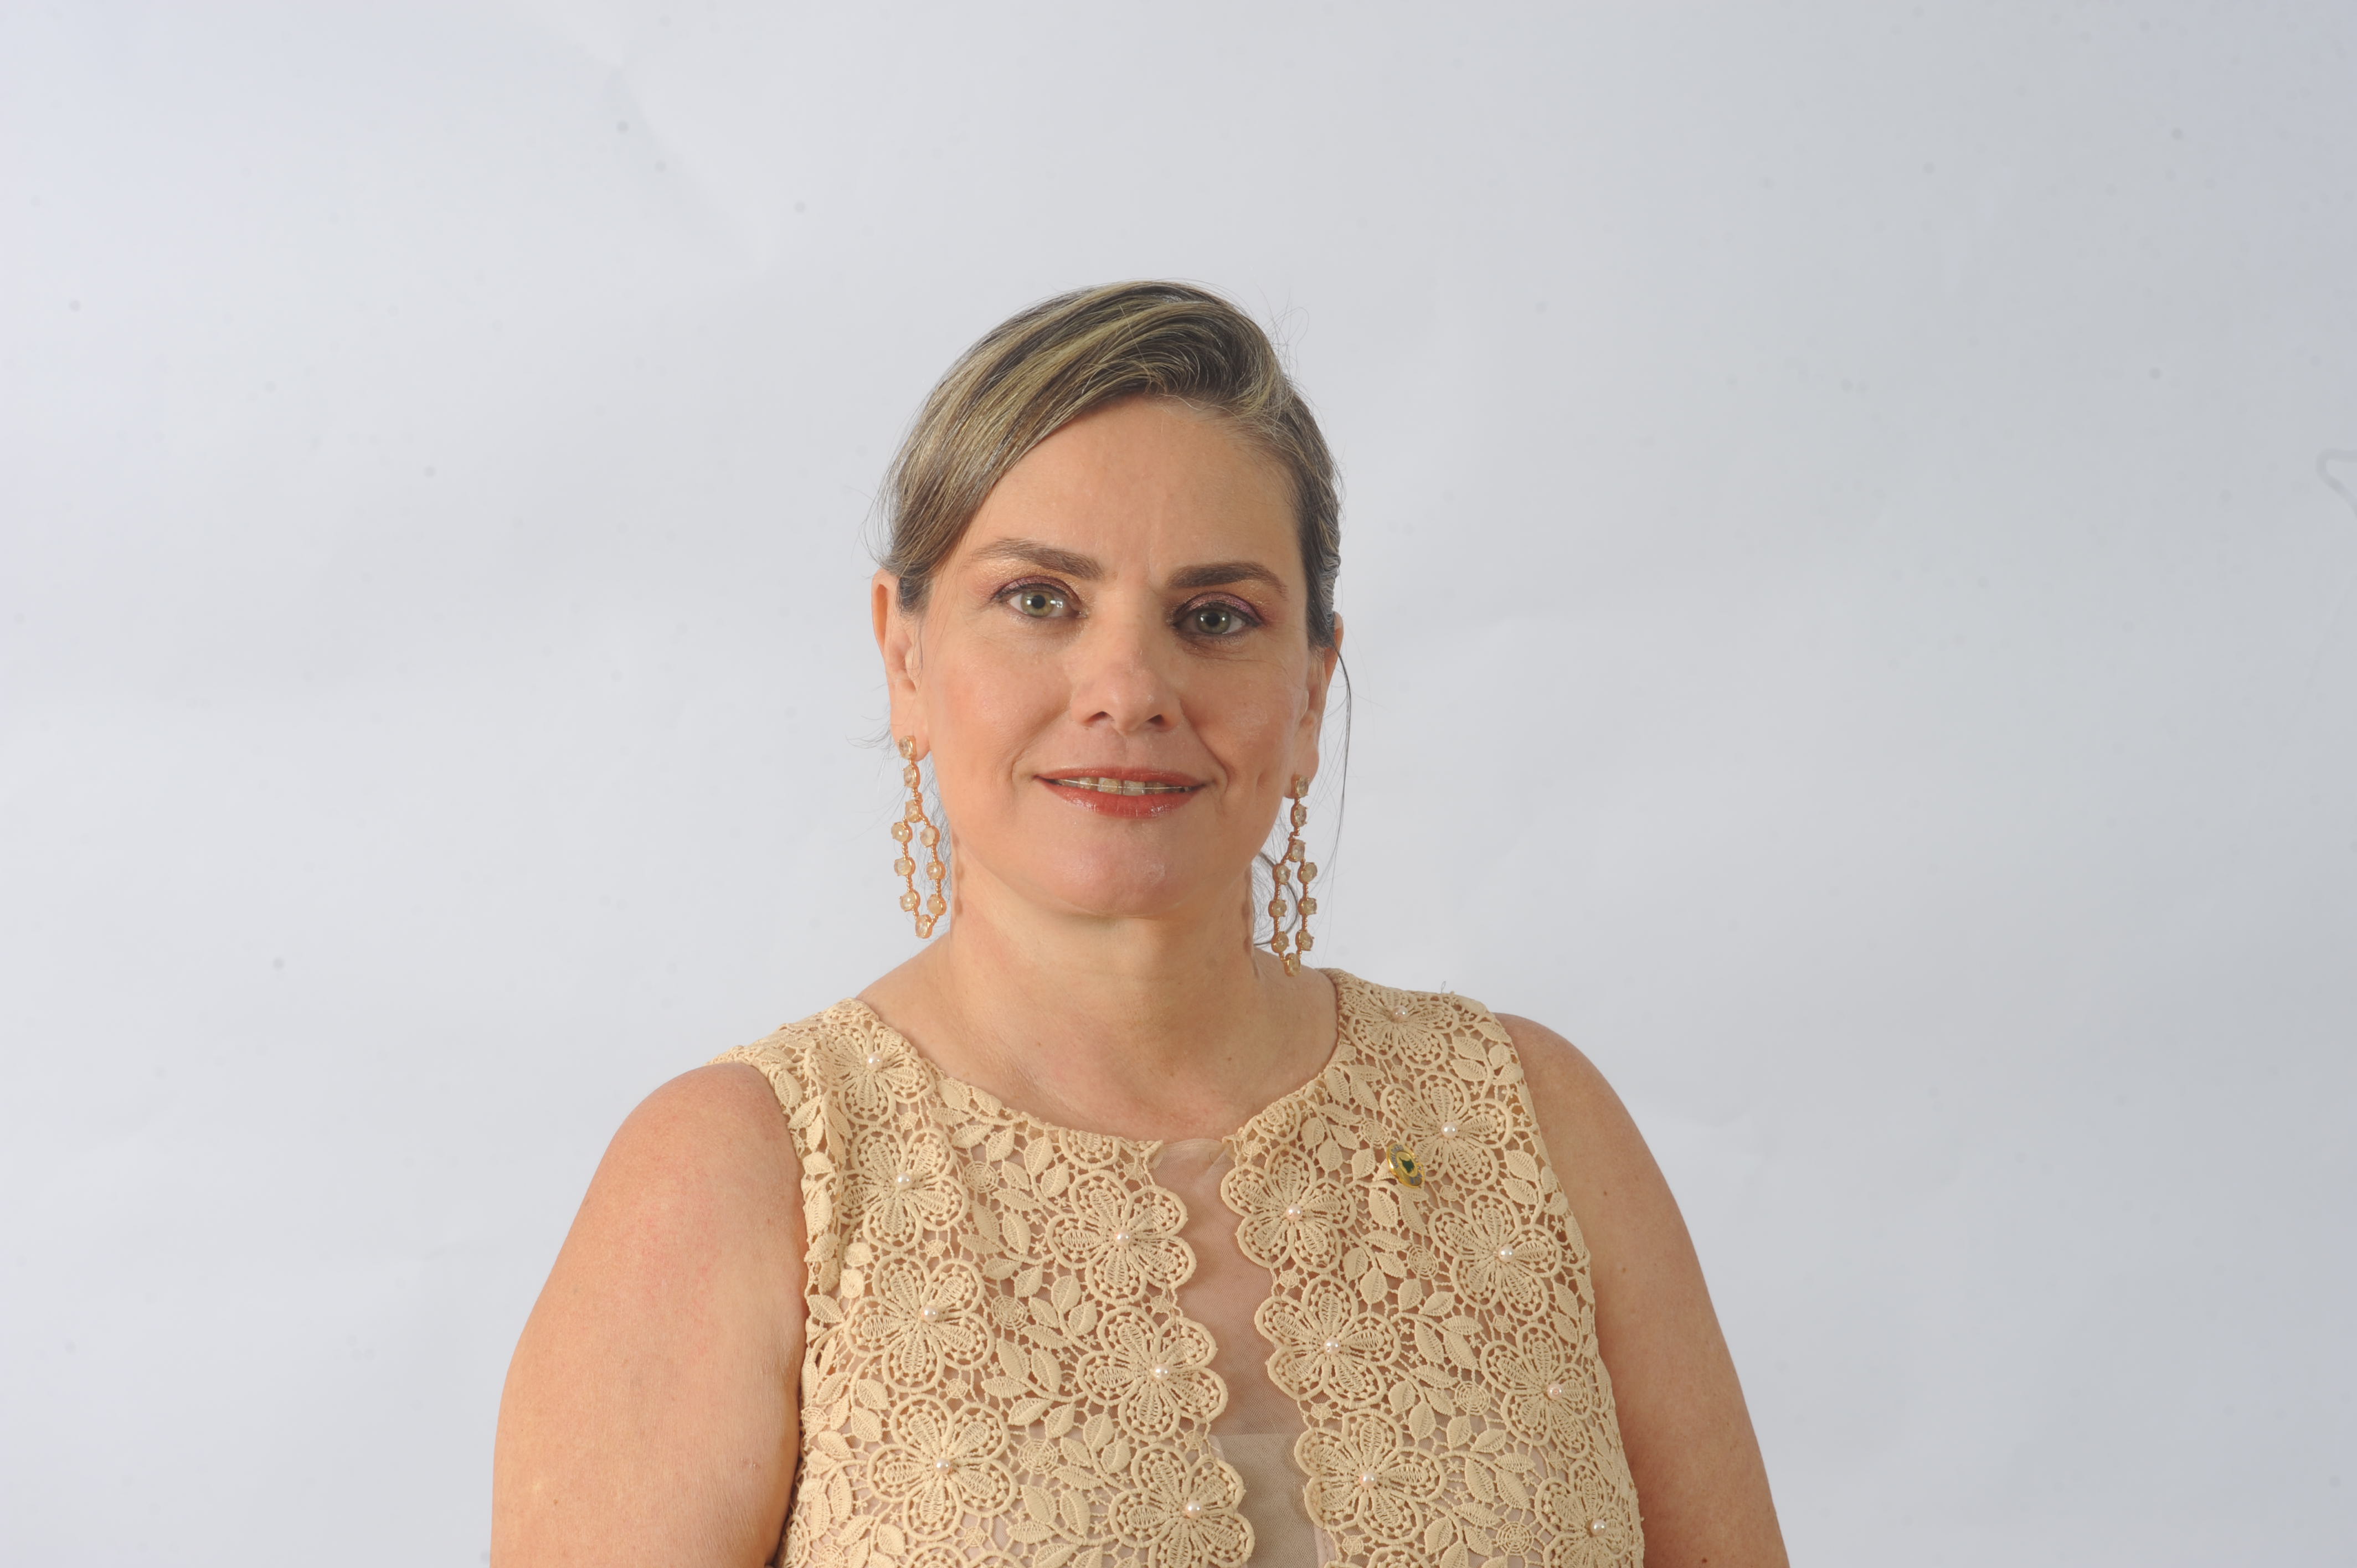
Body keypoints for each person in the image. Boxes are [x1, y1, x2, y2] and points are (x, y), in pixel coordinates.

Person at [491, 282, 1788, 1568]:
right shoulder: (739, 1173)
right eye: (1039, 600)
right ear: (904, 655)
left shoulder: (1532, 1123)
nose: (1128, 689)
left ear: (1309, 694)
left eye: (1214, 618)